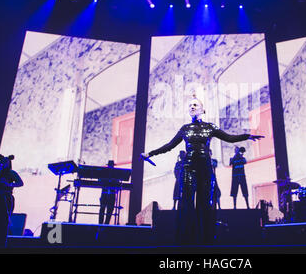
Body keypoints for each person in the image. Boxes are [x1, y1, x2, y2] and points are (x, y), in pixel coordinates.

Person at [141, 95, 263, 244]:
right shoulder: (185, 129)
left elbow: (229, 138)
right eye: (190, 106)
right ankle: (185, 240)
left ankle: (205, 240)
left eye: (195, 105)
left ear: (203, 110)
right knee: (186, 202)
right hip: (188, 168)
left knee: (205, 204)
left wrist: (247, 136)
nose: (192, 107)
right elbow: (169, 146)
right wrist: (150, 153)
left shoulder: (210, 127)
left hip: (205, 168)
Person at [99, 160, 118, 225]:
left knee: (110, 209)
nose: (111, 167)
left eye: (111, 166)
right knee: (102, 208)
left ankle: (106, 224)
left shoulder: (116, 173)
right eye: (110, 166)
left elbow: (117, 183)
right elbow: (99, 180)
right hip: (105, 193)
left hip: (111, 194)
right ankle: (100, 224)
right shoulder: (104, 173)